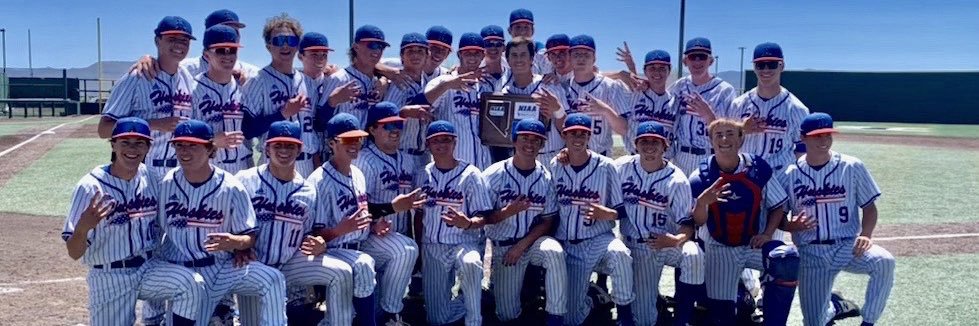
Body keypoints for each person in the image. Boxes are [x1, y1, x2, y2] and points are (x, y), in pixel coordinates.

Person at [63, 117, 206, 326]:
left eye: (139, 143)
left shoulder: (152, 178)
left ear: (148, 146)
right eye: (125, 142)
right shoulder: (90, 187)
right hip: (110, 276)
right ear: (113, 144)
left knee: (191, 284)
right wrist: (84, 227)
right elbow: (74, 253)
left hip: (148, 268)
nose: (132, 149)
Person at [157, 119, 288, 324]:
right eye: (179, 145)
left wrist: (235, 242)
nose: (185, 151)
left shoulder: (231, 186)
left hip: (221, 267)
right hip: (182, 274)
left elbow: (249, 236)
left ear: (210, 149)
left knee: (272, 279)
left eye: (193, 145)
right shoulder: (165, 184)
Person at [234, 120, 357, 325]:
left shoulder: (308, 190)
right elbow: (227, 223)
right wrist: (237, 248)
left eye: (290, 145)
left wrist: (318, 243)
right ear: (266, 149)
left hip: (291, 263)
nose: (284, 150)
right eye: (278, 145)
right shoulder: (244, 180)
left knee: (341, 273)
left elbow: (312, 232)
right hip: (252, 265)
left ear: (300, 149)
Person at [783, 112, 895, 326]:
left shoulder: (851, 166)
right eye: (817, 136)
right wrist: (790, 225)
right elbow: (778, 216)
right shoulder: (790, 174)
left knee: (884, 262)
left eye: (828, 135)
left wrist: (866, 235)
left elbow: (869, 207)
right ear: (803, 137)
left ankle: (868, 322)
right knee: (814, 322)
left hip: (847, 246)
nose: (824, 141)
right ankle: (833, 307)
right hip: (811, 252)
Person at [689, 118, 798, 326]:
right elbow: (698, 221)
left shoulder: (757, 169)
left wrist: (767, 234)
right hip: (720, 248)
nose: (724, 139)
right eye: (718, 135)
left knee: (785, 259)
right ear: (711, 141)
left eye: (730, 133)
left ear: (741, 139)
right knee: (722, 318)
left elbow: (778, 206)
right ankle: (742, 299)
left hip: (751, 244)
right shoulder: (701, 176)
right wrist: (703, 203)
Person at [614, 121, 703, 326]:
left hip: (666, 243)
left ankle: (682, 320)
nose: (650, 147)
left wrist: (675, 240)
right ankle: (654, 303)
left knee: (694, 255)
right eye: (644, 141)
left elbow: (687, 225)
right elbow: (593, 163)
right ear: (636, 145)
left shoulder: (677, 179)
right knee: (644, 320)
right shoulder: (621, 167)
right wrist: (564, 155)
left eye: (656, 142)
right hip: (636, 246)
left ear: (665, 146)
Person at [551, 113, 635, 326]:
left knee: (620, 254)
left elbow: (620, 211)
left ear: (590, 135)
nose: (578, 138)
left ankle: (625, 318)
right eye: (573, 134)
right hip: (569, 246)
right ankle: (596, 298)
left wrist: (606, 214)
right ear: (564, 135)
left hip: (598, 239)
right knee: (571, 319)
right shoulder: (555, 164)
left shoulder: (607, 166)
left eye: (583, 134)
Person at [482, 119, 567, 325]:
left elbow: (547, 221)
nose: (529, 144)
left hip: (530, 244)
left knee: (554, 252)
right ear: (514, 141)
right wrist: (506, 212)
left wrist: (522, 246)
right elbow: (483, 218)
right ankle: (500, 294)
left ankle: (555, 318)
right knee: (507, 314)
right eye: (524, 138)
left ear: (542, 144)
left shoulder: (545, 177)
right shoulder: (493, 174)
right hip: (504, 249)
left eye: (536, 140)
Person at [354, 102, 427, 324]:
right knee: (405, 250)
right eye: (387, 126)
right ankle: (391, 314)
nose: (395, 130)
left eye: (398, 124)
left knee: (404, 251)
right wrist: (373, 223)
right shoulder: (363, 160)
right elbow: (355, 205)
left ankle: (383, 313)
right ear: (372, 130)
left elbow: (413, 209)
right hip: (368, 237)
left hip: (397, 236)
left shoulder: (408, 160)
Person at [415, 120, 493, 326]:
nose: (441, 144)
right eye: (436, 141)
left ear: (455, 142)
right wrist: (420, 249)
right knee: (436, 318)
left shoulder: (471, 174)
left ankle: (474, 319)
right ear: (428, 144)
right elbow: (418, 216)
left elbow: (484, 216)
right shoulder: (422, 174)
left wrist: (467, 222)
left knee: (471, 263)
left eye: (446, 140)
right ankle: (467, 302)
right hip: (433, 246)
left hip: (463, 243)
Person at [98, 16, 196, 178]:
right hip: (142, 170)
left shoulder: (187, 78)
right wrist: (154, 124)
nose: (179, 45)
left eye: (185, 41)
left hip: (179, 172)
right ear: (158, 41)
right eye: (172, 39)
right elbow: (104, 129)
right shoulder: (136, 77)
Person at [308, 113, 380, 326]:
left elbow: (361, 214)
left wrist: (375, 224)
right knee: (364, 265)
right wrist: (340, 230)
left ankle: (387, 313)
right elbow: (315, 235)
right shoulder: (318, 181)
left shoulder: (358, 173)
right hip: (332, 250)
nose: (354, 144)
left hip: (360, 245)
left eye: (357, 139)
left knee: (403, 250)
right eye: (347, 140)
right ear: (332, 143)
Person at [240, 14, 320, 176]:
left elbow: (315, 128)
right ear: (269, 46)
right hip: (273, 164)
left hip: (307, 163)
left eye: (290, 41)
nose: (285, 46)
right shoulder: (258, 81)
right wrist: (283, 114)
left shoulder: (309, 82)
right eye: (278, 41)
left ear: (297, 45)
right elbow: (247, 130)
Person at [190, 24, 254, 174]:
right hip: (207, 166)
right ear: (207, 55)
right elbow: (179, 135)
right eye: (220, 51)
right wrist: (211, 141)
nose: (227, 56)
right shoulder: (192, 89)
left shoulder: (245, 87)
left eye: (232, 50)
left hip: (243, 167)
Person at [669, 37, 737, 175]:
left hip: (711, 157)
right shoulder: (679, 86)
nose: (697, 61)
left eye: (702, 57)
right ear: (685, 61)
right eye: (693, 57)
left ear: (710, 61)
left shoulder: (725, 90)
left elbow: (732, 132)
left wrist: (709, 117)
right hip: (681, 156)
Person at [423, 32, 491, 169]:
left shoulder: (487, 86)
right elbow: (423, 104)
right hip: (452, 165)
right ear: (459, 55)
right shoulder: (443, 82)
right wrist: (446, 86)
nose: (472, 57)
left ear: (483, 56)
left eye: (476, 53)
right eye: (467, 53)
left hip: (483, 163)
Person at [497, 37, 568, 165]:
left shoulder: (550, 85)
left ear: (531, 59)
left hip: (550, 156)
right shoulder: (502, 91)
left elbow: (566, 129)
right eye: (514, 55)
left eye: (523, 55)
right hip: (516, 159)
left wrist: (557, 110)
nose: (519, 59)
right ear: (507, 60)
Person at [564, 35, 630, 157]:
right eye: (577, 54)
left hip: (601, 157)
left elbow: (623, 129)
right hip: (569, 158)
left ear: (594, 58)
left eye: (586, 54)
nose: (581, 59)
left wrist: (605, 110)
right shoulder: (563, 87)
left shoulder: (611, 86)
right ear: (569, 58)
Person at [382, 32, 437, 172]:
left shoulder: (428, 83)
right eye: (410, 51)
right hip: (401, 152)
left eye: (420, 51)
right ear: (402, 56)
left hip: (423, 156)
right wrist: (404, 112)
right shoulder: (397, 81)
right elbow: (385, 119)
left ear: (427, 56)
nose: (415, 55)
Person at [319, 25, 390, 130]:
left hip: (369, 145)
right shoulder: (339, 78)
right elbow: (319, 123)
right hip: (344, 144)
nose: (377, 50)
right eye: (372, 45)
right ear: (356, 47)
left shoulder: (379, 83)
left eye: (381, 47)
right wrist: (332, 102)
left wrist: (385, 80)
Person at [621, 50, 681, 157]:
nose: (657, 72)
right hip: (635, 158)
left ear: (669, 70)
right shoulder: (634, 94)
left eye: (662, 68)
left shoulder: (675, 102)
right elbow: (595, 76)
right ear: (645, 71)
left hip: (664, 163)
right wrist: (622, 74)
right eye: (652, 68)